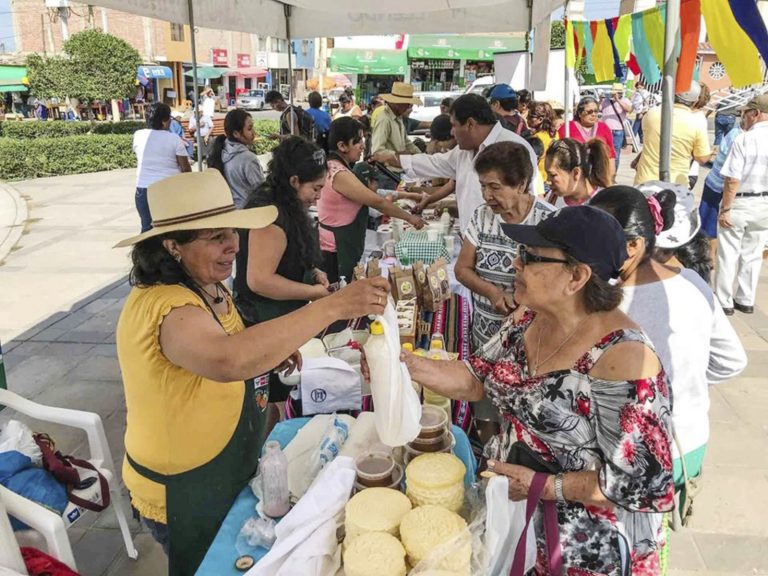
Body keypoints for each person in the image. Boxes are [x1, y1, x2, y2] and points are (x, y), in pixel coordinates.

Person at [114, 170, 389, 575]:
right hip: (183, 488)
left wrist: (272, 353)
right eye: (215, 237)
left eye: (232, 231)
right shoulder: (166, 305)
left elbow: (238, 344)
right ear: (172, 246)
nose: (233, 245)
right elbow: (228, 359)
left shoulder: (207, 284)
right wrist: (332, 306)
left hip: (223, 469)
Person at [402, 205, 675, 575]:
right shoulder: (529, 317)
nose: (516, 264)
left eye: (530, 257)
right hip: (523, 524)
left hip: (586, 549)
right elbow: (475, 378)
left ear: (576, 276)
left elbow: (643, 486)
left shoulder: (623, 357)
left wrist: (544, 486)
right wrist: (407, 367)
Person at [590, 184, 746, 523]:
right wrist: (682, 383)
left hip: (644, 458)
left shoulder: (613, 303)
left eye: (595, 237)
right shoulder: (693, 281)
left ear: (633, 245)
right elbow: (733, 360)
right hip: (691, 447)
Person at [234, 137, 329, 430]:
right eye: (315, 189)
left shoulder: (286, 201)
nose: (318, 197)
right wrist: (314, 292)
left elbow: (290, 251)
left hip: (282, 311)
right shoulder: (270, 213)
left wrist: (312, 270)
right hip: (265, 315)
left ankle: (276, 432)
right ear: (294, 180)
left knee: (279, 395)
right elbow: (260, 280)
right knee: (272, 396)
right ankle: (271, 447)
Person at [371, 94, 541, 235]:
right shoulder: (464, 151)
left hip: (503, 242)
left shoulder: (515, 148)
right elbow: (435, 163)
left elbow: (527, 205)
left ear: (470, 124)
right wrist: (392, 158)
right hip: (471, 238)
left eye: (453, 125)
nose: (451, 132)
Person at [455, 141, 555, 350]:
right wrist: (493, 293)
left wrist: (523, 306)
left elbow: (555, 286)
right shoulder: (482, 216)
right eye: (483, 186)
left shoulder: (548, 221)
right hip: (484, 336)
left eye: (495, 187)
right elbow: (462, 269)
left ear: (521, 184)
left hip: (529, 340)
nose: (486, 195)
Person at [319, 117, 426, 283]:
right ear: (342, 146)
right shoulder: (339, 173)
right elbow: (378, 202)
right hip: (336, 249)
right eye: (357, 142)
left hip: (339, 244)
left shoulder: (336, 167)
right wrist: (410, 218)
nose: (362, 146)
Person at [715, 94, 768, 315]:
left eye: (745, 114)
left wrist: (726, 208)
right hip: (764, 202)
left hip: (741, 201)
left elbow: (732, 178)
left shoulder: (744, 139)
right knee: (753, 253)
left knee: (728, 253)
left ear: (756, 114)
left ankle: (724, 301)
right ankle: (745, 298)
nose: (742, 119)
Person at [634, 81, 712, 187]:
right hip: (675, 185)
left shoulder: (652, 113)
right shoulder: (696, 123)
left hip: (646, 181)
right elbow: (702, 158)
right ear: (695, 101)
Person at [132, 103, 191, 232]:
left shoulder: (138, 135)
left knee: (147, 229)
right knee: (170, 229)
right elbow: (186, 169)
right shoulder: (174, 139)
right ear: (164, 121)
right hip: (168, 188)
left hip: (143, 189)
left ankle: (145, 251)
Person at [698, 117, 743, 259]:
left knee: (710, 222)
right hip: (723, 184)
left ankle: (709, 258)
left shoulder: (737, 135)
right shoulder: (738, 134)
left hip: (719, 184)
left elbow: (731, 174)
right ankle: (710, 257)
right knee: (711, 223)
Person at [206, 109, 265, 209]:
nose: (254, 132)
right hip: (247, 213)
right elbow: (261, 190)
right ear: (236, 133)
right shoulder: (248, 158)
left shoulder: (220, 151)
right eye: (249, 129)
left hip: (227, 211)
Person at [370, 82, 423, 189]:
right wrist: (399, 154)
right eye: (407, 103)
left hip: (397, 172)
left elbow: (406, 142)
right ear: (397, 103)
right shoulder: (385, 119)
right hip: (386, 173)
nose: (409, 107)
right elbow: (377, 151)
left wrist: (421, 156)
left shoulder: (398, 118)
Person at [544, 138, 612, 208]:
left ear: (576, 173)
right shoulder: (552, 199)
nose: (548, 180)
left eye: (553, 175)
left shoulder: (604, 202)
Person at [559, 96, 616, 162]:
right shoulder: (567, 127)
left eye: (596, 111)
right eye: (589, 112)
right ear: (580, 113)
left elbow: (611, 154)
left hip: (599, 168)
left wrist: (611, 172)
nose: (593, 114)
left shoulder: (604, 128)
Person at [600, 83, 632, 169]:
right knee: (603, 153)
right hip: (605, 130)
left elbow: (629, 109)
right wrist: (600, 99)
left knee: (615, 154)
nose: (614, 94)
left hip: (618, 131)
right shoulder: (606, 101)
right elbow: (597, 108)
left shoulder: (625, 100)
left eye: (617, 93)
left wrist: (618, 100)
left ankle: (613, 173)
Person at [527, 101, 559, 184]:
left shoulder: (537, 138)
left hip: (540, 180)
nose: (527, 118)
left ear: (540, 119)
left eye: (530, 116)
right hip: (551, 178)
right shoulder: (555, 134)